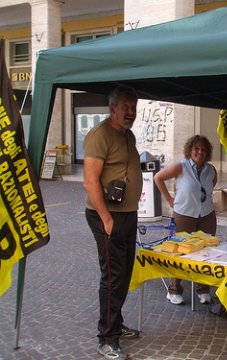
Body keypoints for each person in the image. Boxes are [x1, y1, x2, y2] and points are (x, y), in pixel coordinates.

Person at [83, 86, 143, 360]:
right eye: (125, 107)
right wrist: (106, 218)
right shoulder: (100, 135)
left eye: (134, 106)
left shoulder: (127, 135)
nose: (130, 112)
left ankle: (116, 325)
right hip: (106, 216)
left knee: (124, 274)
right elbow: (90, 180)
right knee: (112, 277)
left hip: (127, 214)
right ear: (112, 108)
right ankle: (107, 338)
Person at [154, 135, 217, 305]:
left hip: (206, 215)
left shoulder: (211, 170)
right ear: (190, 150)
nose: (200, 152)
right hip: (184, 215)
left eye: (203, 149)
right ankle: (173, 289)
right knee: (180, 252)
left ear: (207, 152)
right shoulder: (181, 167)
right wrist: (169, 199)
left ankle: (203, 289)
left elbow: (211, 187)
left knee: (206, 252)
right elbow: (158, 178)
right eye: (196, 148)